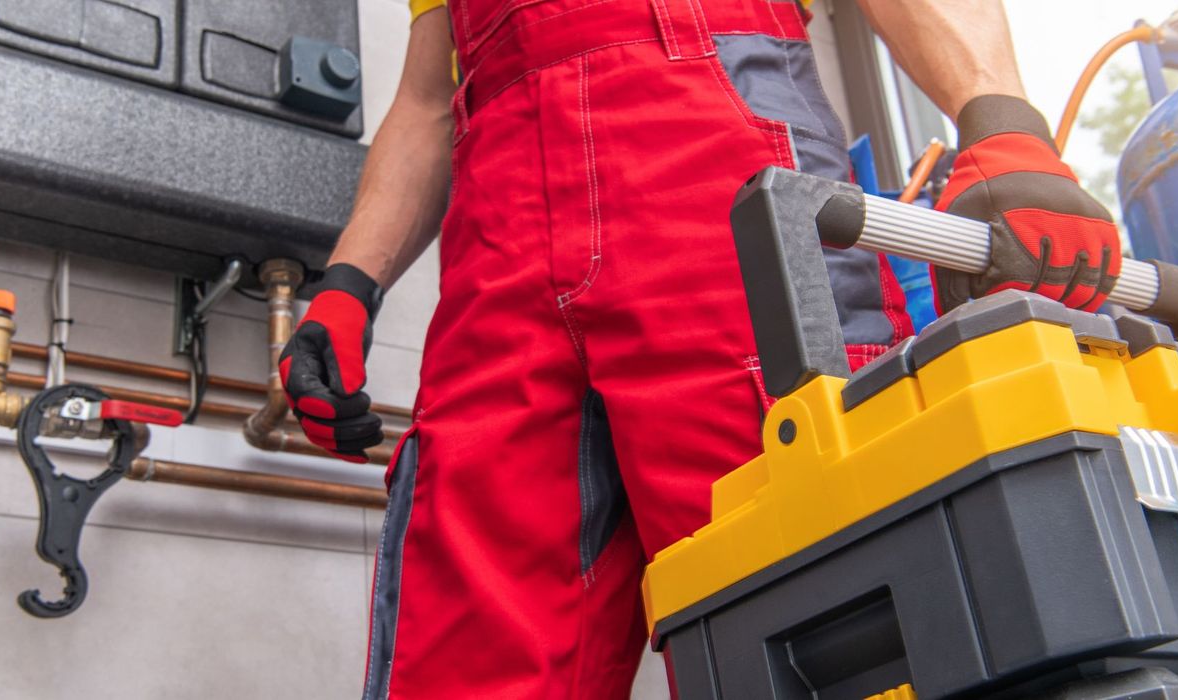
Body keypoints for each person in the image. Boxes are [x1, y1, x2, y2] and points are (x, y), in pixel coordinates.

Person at [278, 0, 1122, 696]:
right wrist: (349, 284)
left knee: (822, 614)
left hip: (713, 167)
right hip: (498, 236)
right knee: (463, 654)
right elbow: (428, 99)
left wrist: (1000, 122)